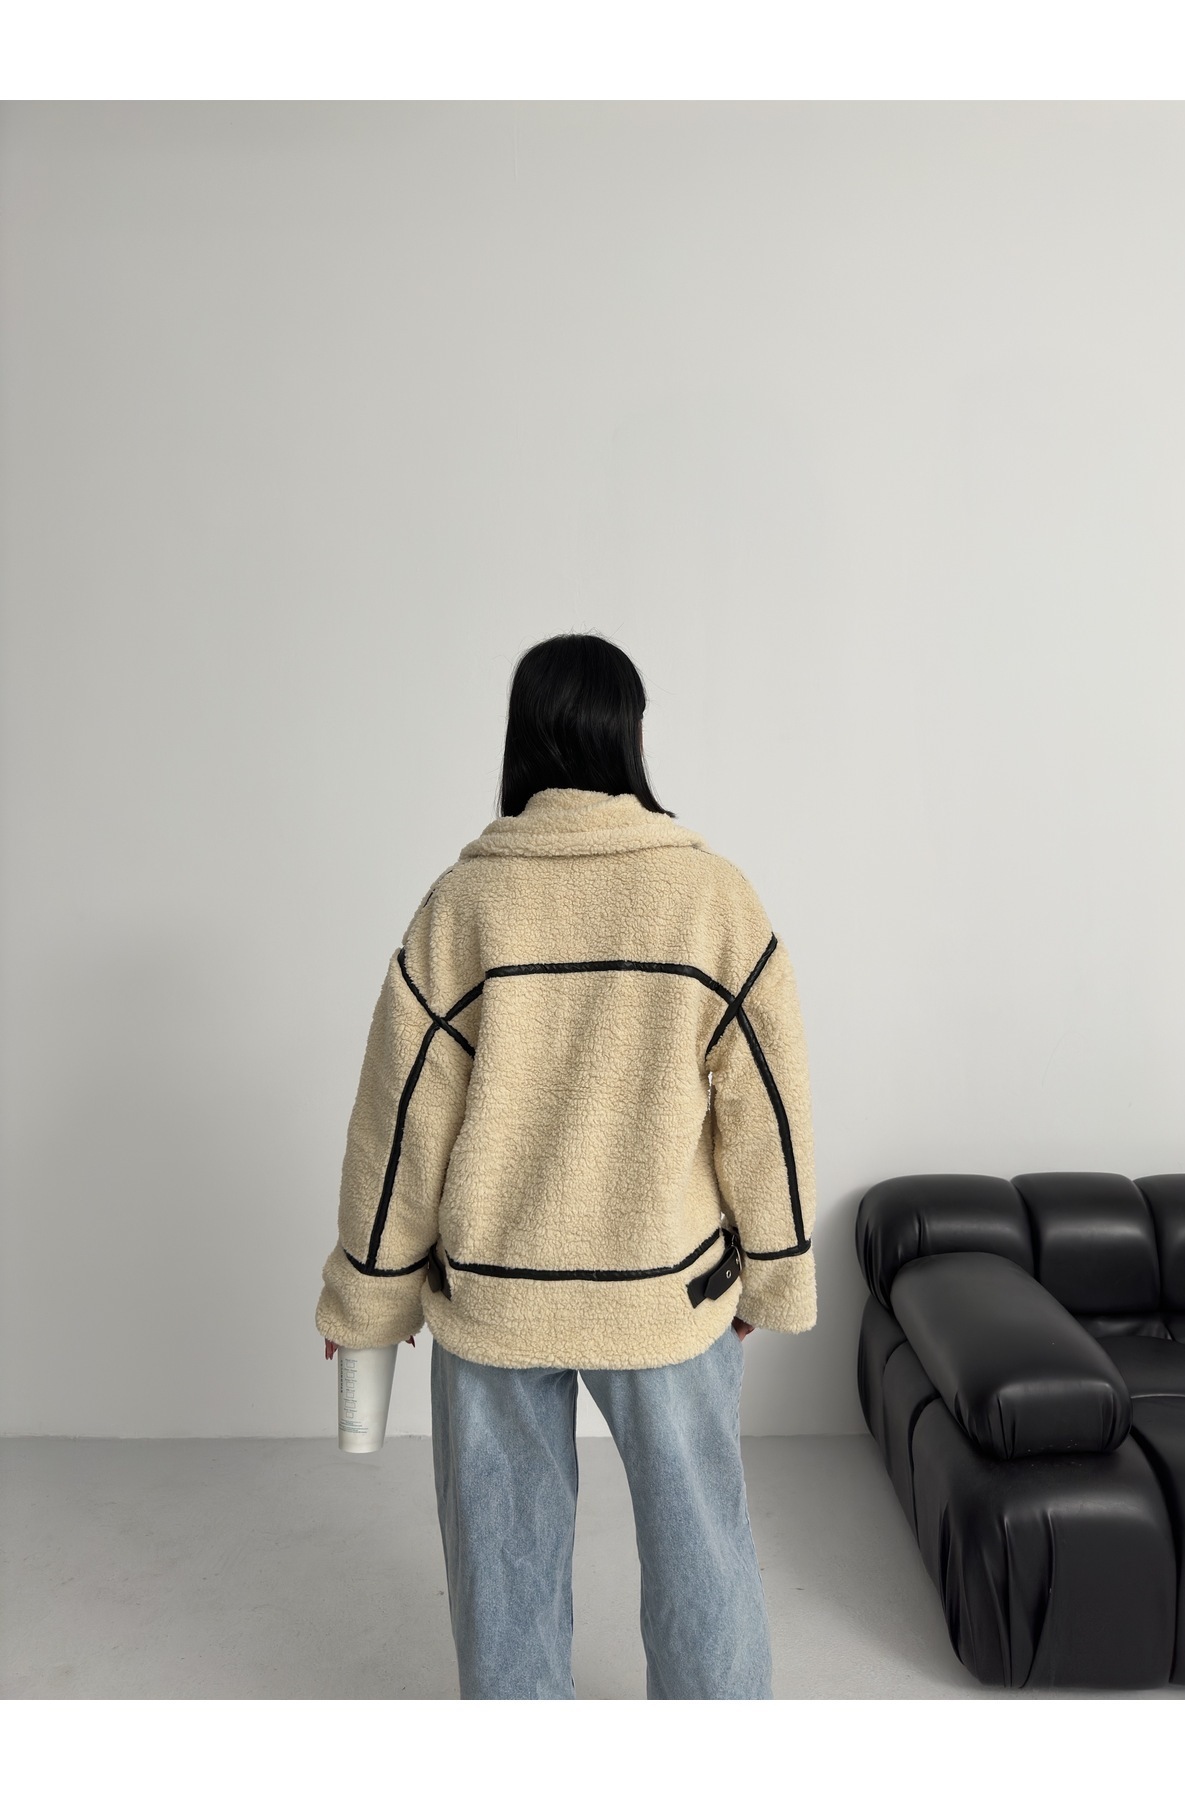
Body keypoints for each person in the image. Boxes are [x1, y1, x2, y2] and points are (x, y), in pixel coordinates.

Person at [316, 631, 818, 1700]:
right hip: (668, 1292)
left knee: (504, 1573)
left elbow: (398, 1123)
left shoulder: (464, 905)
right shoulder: (710, 897)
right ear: (629, 737)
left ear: (523, 739)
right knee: (703, 1548)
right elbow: (769, 1105)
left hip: (496, 1297)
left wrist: (368, 1296)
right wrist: (772, 1272)